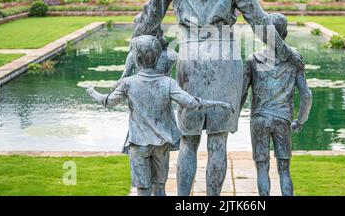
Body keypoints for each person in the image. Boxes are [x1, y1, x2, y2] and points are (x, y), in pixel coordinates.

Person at [118, 0, 305, 196]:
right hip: (225, 57)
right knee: (218, 142)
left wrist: (134, 58)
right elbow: (259, 22)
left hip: (191, 56)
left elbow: (151, 18)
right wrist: (284, 52)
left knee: (188, 142)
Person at [86, 35, 234, 196]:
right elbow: (191, 103)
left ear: (136, 58)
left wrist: (92, 92)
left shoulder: (128, 83)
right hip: (162, 144)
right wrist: (218, 103)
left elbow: (108, 102)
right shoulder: (167, 83)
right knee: (160, 187)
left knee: (143, 189)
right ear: (157, 57)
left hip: (138, 143)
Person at [241, 14, 312, 196]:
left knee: (262, 168)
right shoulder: (294, 60)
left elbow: (241, 93)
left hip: (259, 119)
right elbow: (306, 96)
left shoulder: (253, 59)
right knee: (284, 170)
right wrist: (300, 120)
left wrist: (232, 120)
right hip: (283, 119)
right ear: (285, 33)